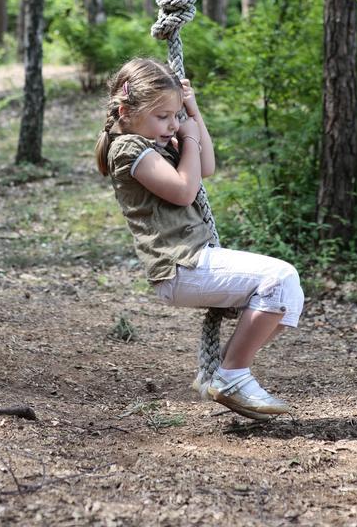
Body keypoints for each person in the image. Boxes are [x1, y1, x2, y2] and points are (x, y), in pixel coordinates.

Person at [95, 57, 304, 420]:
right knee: (279, 278)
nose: (171, 125)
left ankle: (225, 371)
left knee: (289, 299)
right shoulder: (129, 149)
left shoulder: (157, 140)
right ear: (126, 112)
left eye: (175, 116)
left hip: (194, 259)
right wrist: (187, 136)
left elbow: (205, 166)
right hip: (178, 266)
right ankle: (232, 375)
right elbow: (184, 191)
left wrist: (192, 113)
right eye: (163, 116)